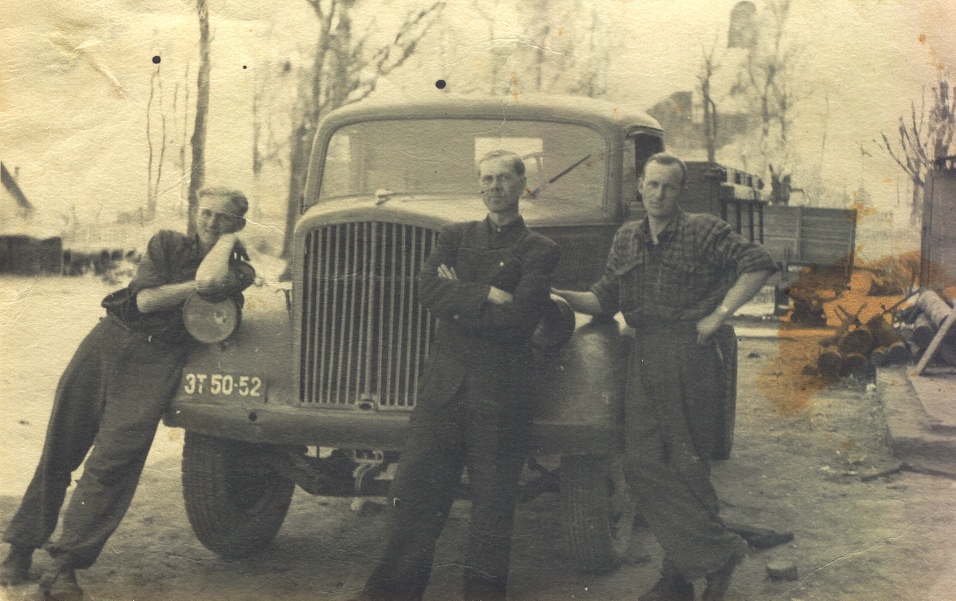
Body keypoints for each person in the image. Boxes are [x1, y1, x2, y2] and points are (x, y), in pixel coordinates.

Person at [0, 187, 256, 601]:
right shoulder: (167, 243)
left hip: (158, 364)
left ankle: (65, 567)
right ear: (195, 214)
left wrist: (226, 245)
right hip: (108, 342)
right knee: (61, 447)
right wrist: (196, 286)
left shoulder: (240, 271)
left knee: (113, 463)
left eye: (223, 218)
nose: (211, 222)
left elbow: (212, 279)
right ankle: (21, 549)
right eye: (205, 213)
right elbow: (148, 301)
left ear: (238, 225)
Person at [552, 152, 775, 601]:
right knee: (641, 465)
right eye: (652, 185)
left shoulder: (702, 230)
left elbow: (759, 262)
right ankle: (718, 554)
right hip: (644, 353)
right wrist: (556, 294)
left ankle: (678, 579)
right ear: (640, 186)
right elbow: (603, 298)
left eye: (668, 187)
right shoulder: (627, 237)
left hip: (689, 354)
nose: (658, 194)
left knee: (688, 464)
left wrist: (719, 314)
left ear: (681, 191)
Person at [357, 150, 560, 601]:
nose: (494, 186)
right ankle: (390, 594)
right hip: (443, 391)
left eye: (504, 178)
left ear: (522, 184)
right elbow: (427, 290)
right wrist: (488, 292)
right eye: (487, 178)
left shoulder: (540, 249)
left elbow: (519, 320)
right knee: (413, 496)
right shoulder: (453, 236)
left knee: (492, 510)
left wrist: (457, 299)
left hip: (501, 395)